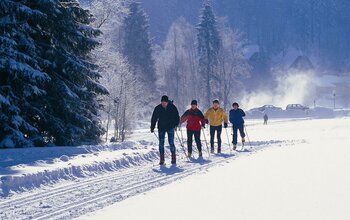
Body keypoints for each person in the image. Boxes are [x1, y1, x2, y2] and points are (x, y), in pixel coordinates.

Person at [151, 95, 180, 165]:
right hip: (161, 128)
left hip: (170, 127)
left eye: (164, 102)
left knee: (171, 143)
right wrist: (152, 127)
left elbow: (177, 116)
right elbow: (154, 118)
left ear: (167, 102)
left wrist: (176, 125)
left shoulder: (172, 107)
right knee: (161, 143)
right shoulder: (158, 108)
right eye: (162, 102)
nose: (163, 104)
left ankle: (173, 157)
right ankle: (162, 159)